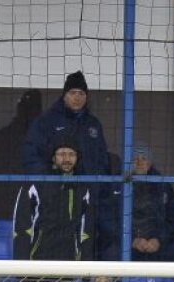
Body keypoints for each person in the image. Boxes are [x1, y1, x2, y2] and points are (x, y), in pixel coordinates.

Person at [23, 71, 122, 259]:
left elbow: (102, 159)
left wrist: (99, 188)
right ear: (64, 95)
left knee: (95, 241)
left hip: (89, 196)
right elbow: (31, 155)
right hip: (56, 199)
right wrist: (49, 182)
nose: (77, 97)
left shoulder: (93, 124)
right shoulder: (46, 122)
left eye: (81, 94)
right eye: (73, 93)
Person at [12, 139, 95, 261]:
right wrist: (21, 265)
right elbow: (21, 224)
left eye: (72, 154)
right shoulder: (36, 183)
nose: (67, 159)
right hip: (37, 261)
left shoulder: (82, 188)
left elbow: (86, 229)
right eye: (62, 154)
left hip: (68, 262)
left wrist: (86, 267)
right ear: (53, 158)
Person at [128, 143, 174, 262]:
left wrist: (159, 239)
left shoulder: (163, 186)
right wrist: (132, 240)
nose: (139, 163)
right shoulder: (118, 185)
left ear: (150, 163)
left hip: (159, 243)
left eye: (143, 159)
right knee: (110, 253)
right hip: (128, 243)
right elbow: (109, 220)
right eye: (135, 159)